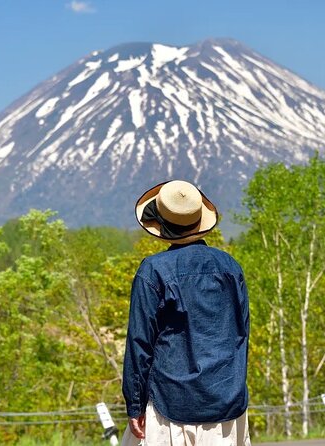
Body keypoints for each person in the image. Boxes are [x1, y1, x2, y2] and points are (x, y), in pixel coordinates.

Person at [121, 180, 251, 446]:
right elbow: (241, 334)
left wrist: (134, 405)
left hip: (169, 406)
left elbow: (139, 344)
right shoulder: (231, 267)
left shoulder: (153, 270)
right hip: (227, 405)